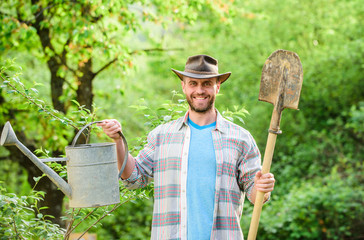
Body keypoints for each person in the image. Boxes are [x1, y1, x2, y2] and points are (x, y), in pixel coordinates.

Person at [97, 54, 275, 240]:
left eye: (206, 83)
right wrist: (118, 141)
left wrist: (263, 187)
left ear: (217, 86)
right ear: (183, 86)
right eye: (193, 84)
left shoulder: (240, 139)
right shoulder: (162, 136)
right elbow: (134, 178)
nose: (199, 90)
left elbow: (256, 197)